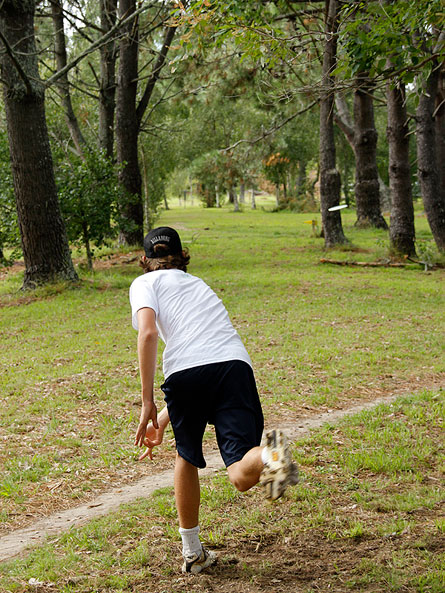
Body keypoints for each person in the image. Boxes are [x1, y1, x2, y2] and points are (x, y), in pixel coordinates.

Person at [130, 226, 298, 574]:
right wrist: (163, 421)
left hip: (185, 375)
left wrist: (147, 401)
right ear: (182, 256)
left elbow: (148, 333)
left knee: (186, 457)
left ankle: (192, 554)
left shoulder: (144, 283)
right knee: (239, 474)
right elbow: (207, 358)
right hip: (233, 367)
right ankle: (270, 453)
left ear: (145, 260)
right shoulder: (199, 285)